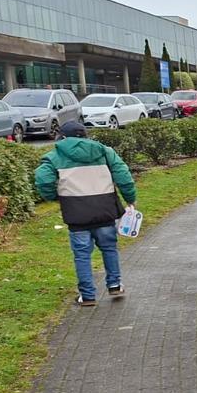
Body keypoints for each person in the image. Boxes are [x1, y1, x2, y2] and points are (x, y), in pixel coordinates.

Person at [34, 119, 136, 308]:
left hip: (76, 213)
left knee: (82, 255)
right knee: (109, 249)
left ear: (62, 137)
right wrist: (130, 198)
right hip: (105, 210)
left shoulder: (54, 155)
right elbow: (123, 176)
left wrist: (54, 197)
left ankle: (88, 296)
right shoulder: (105, 151)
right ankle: (114, 285)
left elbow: (42, 179)